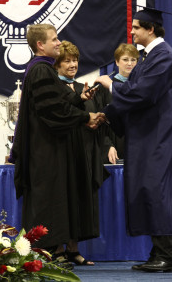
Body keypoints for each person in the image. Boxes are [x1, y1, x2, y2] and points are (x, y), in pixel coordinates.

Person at [94, 7, 172, 272]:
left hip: (159, 135)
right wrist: (107, 115)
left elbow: (142, 94)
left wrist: (111, 85)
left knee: (156, 190)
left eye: (135, 28)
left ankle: (166, 256)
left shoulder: (164, 57)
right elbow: (134, 92)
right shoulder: (150, 57)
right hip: (147, 134)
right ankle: (158, 252)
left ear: (150, 29)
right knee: (148, 189)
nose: (131, 32)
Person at [10, 24, 104, 268]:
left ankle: (57, 252)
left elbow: (57, 102)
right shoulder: (41, 71)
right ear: (40, 45)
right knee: (49, 202)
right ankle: (50, 254)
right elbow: (54, 111)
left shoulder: (43, 71)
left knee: (55, 199)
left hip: (49, 149)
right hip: (45, 151)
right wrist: (86, 117)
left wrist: (77, 98)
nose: (58, 42)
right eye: (54, 39)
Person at [53, 40, 110, 265]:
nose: (72, 64)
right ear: (57, 64)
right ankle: (57, 250)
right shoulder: (53, 88)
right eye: (67, 61)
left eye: (75, 60)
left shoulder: (82, 88)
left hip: (82, 151)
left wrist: (97, 121)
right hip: (60, 151)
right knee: (61, 200)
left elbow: (88, 116)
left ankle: (73, 250)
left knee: (79, 200)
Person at [104, 43, 139, 164]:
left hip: (139, 147)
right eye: (125, 59)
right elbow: (100, 121)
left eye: (133, 60)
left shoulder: (141, 88)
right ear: (117, 62)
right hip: (115, 147)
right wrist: (108, 145)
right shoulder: (105, 87)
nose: (130, 63)